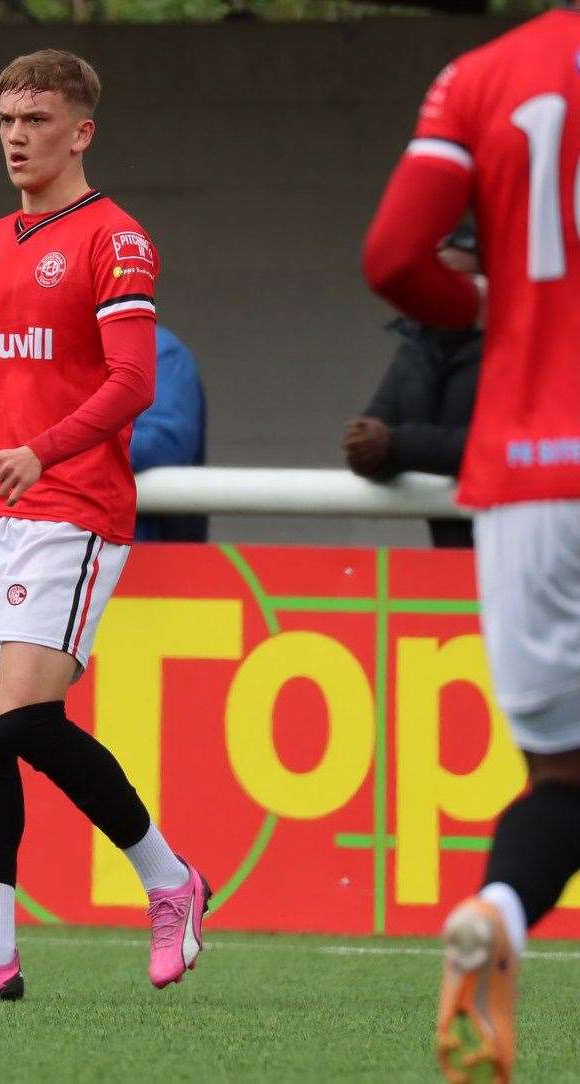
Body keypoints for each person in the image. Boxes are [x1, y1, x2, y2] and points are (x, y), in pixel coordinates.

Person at [0, 49, 209, 1001]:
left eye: (37, 122)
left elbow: (132, 381)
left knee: (24, 716)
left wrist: (42, 451)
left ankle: (170, 880)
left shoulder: (114, 240)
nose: (16, 138)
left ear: (81, 131)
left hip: (72, 508)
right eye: (7, 121)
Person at [364, 9, 580, 1080]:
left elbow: (394, 256)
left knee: (563, 781)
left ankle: (498, 912)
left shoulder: (480, 76)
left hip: (528, 477)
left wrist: (497, 307)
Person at [347, 223, 481, 549]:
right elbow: (376, 428)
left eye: (462, 282)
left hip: (527, 548)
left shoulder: (521, 348)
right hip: (452, 554)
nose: (447, 294)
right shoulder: (419, 342)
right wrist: (364, 448)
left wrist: (394, 446)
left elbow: (498, 446)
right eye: (439, 281)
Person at [130, 325, 207, 542]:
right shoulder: (41, 351)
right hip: (48, 548)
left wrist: (60, 447)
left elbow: (166, 442)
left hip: (145, 554)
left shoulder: (159, 350)